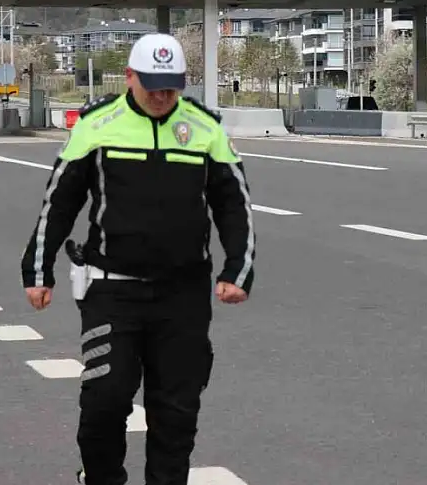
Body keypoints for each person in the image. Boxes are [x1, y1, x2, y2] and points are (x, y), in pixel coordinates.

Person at [19, 32, 256, 485]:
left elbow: (235, 204)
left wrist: (237, 270)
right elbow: (61, 201)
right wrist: (38, 270)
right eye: (152, 85)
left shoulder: (205, 128)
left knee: (176, 411)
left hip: (182, 295)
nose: (163, 96)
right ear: (129, 77)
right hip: (112, 289)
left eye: (172, 86)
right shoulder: (97, 124)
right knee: (105, 401)